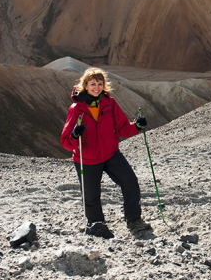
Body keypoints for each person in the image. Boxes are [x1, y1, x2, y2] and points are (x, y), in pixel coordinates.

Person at [60, 68, 152, 238]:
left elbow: (122, 128)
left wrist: (137, 126)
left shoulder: (110, 104)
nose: (96, 87)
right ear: (85, 86)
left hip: (111, 154)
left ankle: (134, 220)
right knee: (91, 194)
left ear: (104, 86)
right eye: (92, 84)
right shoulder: (76, 109)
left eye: (100, 84)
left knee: (130, 181)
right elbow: (66, 142)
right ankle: (97, 225)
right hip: (86, 159)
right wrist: (74, 135)